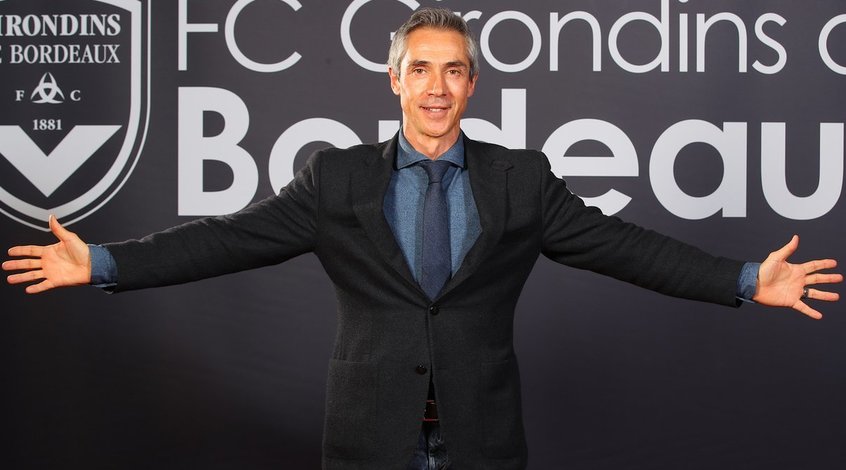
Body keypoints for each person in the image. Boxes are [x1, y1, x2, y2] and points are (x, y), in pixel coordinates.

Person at [3, 7, 841, 470]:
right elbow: (229, 240)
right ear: (395, 80)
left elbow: (623, 246)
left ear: (471, 84)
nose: (436, 86)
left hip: (482, 437)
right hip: (369, 437)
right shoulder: (337, 178)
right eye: (421, 69)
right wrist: (104, 261)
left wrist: (744, 279)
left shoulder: (521, 178)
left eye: (453, 70)